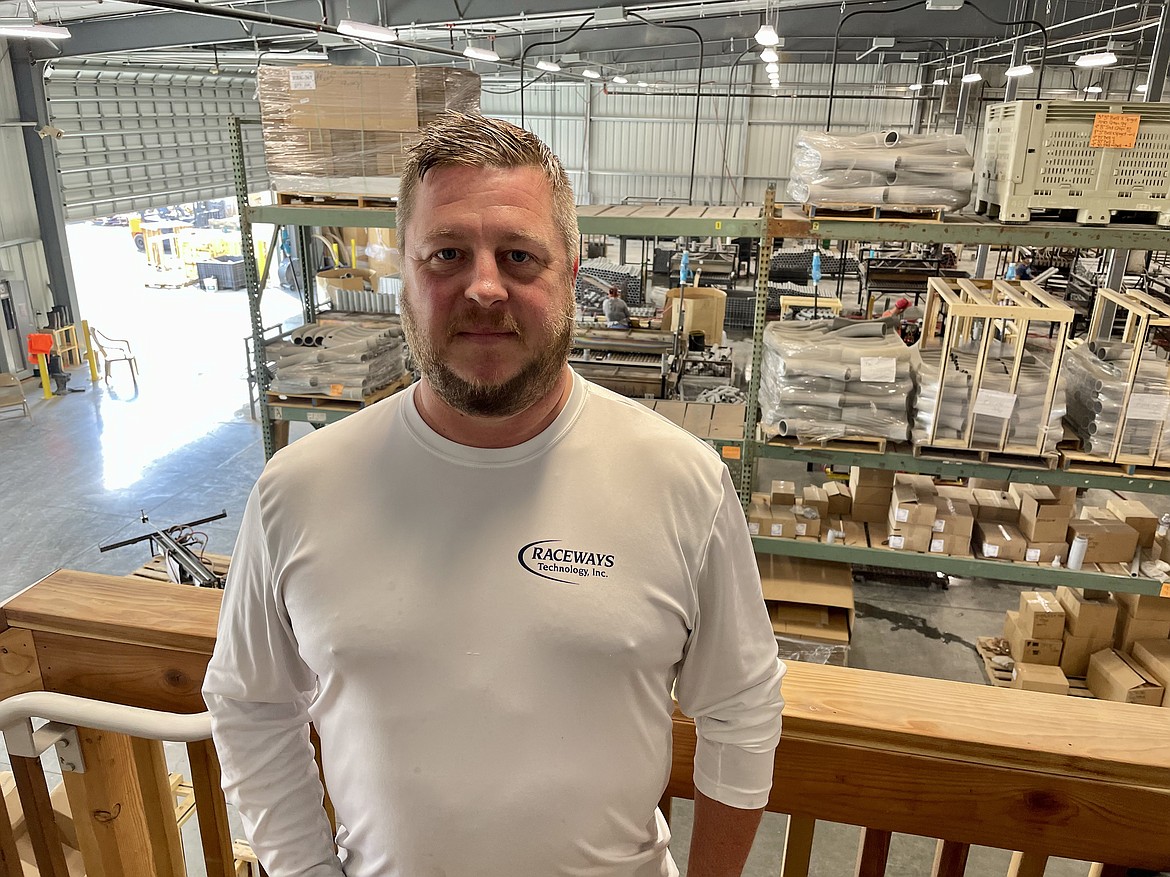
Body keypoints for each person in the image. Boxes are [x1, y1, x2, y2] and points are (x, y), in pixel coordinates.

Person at [203, 111, 785, 877]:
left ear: (572, 273)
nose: (483, 286)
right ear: (404, 277)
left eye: (518, 256)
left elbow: (742, 708)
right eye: (447, 255)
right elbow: (249, 702)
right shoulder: (299, 491)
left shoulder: (680, 481)